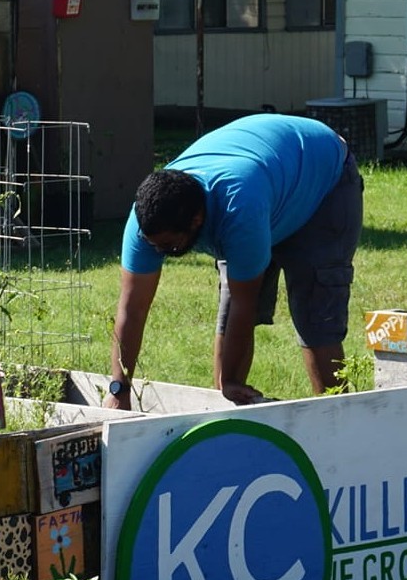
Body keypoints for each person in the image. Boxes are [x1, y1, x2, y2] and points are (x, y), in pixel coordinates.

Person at [106, 113, 364, 408]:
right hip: (270, 176)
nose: (159, 251)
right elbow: (131, 308)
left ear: (197, 220)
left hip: (322, 178)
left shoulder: (238, 210)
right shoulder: (146, 223)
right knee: (229, 315)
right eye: (154, 244)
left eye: (167, 245)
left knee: (315, 315)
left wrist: (230, 378)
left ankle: (339, 417)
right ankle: (226, 418)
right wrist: (118, 388)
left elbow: (246, 303)